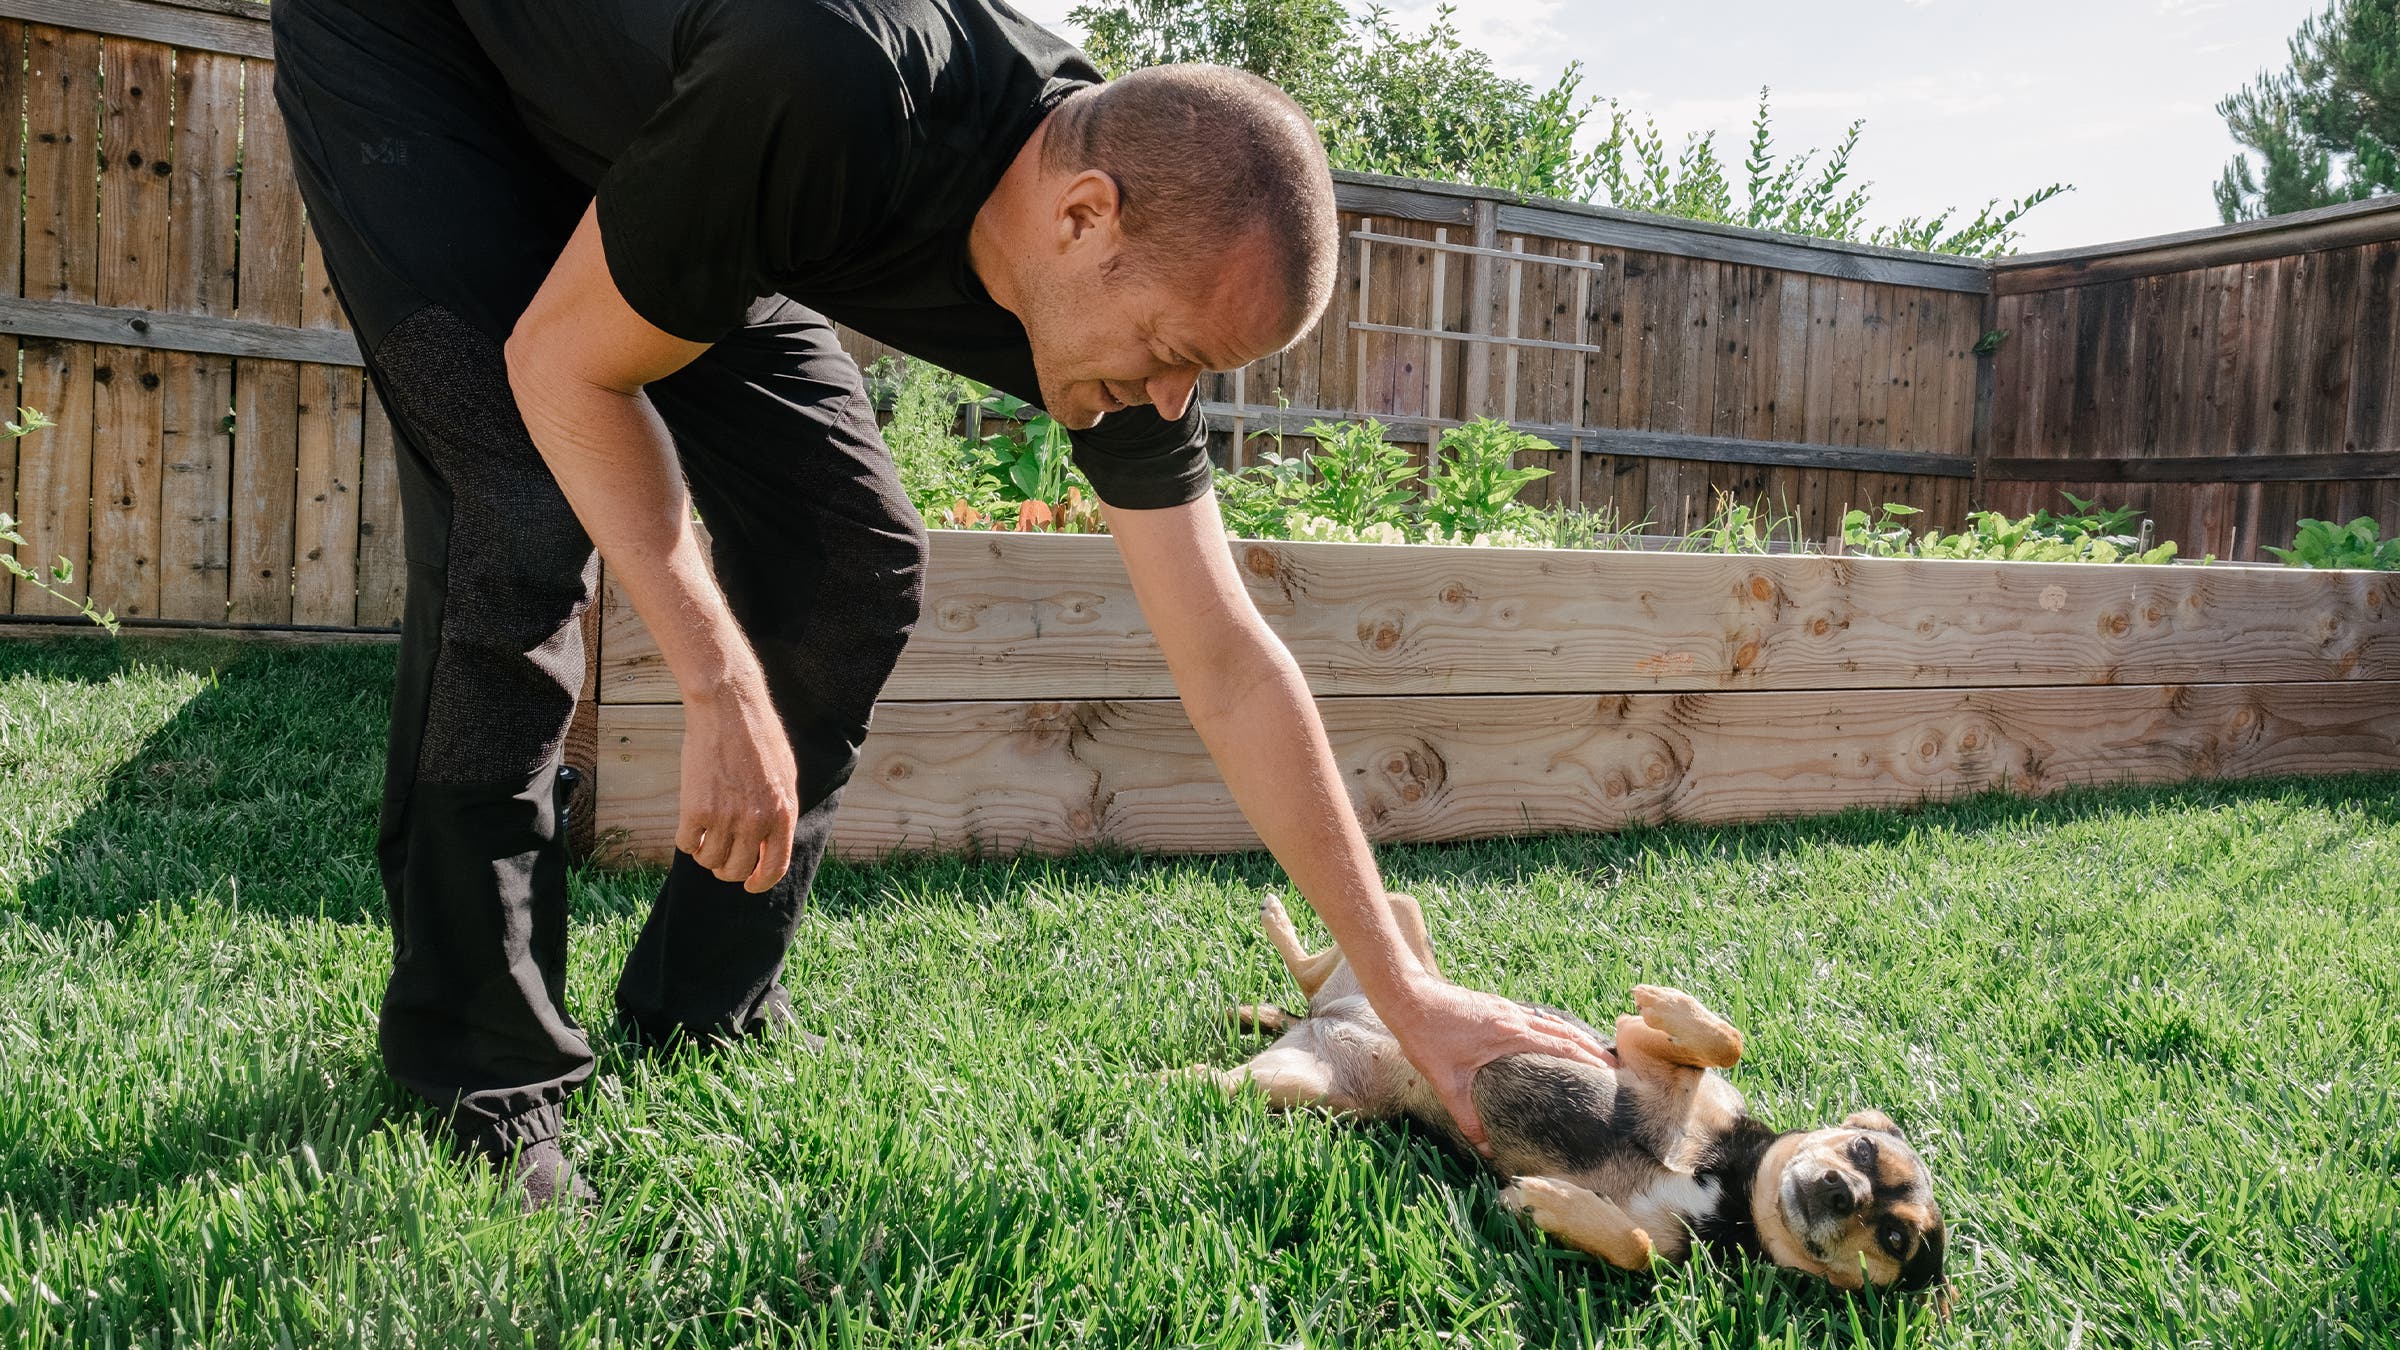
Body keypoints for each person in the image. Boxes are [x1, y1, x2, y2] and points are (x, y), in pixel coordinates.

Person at [271, 0, 1617, 1211]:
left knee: (854, 554)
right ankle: (483, 1071)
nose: (1167, 400)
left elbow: (1227, 657)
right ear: (1082, 214)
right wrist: (715, 680)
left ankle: (703, 1004)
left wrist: (1409, 992)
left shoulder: (1119, 247)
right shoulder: (837, 89)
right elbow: (568, 366)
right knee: (514, 512)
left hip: (670, 132)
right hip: (426, 55)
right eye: (1173, 354)